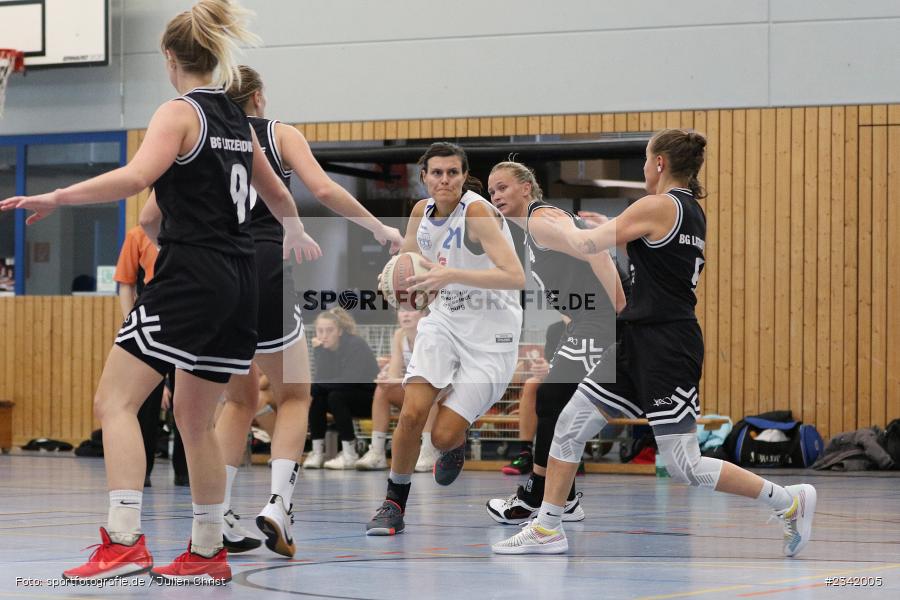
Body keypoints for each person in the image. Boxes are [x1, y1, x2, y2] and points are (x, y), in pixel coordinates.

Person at [1, 0, 322, 583]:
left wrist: (56, 196)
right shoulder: (235, 119)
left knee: (115, 403)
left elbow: (134, 178)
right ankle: (206, 551)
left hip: (189, 279)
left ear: (170, 57)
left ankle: (123, 541)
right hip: (240, 283)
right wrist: (296, 231)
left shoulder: (179, 113)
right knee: (197, 423)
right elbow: (279, 197)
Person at [492, 129, 817, 557]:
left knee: (685, 465)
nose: (644, 169)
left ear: (660, 164)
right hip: (637, 339)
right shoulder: (687, 211)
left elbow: (588, 245)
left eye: (646, 161)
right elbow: (611, 242)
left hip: (667, 344)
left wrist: (552, 226)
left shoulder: (659, 204)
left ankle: (788, 501)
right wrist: (595, 229)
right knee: (570, 422)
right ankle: (548, 525)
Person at [182, 65, 400, 557]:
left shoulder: (203, 136)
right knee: (295, 395)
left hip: (211, 274)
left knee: (237, 400)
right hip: (264, 265)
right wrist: (378, 229)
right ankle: (279, 503)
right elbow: (323, 189)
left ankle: (220, 513)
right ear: (258, 97)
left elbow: (153, 216)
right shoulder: (278, 134)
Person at [366, 142, 525, 536]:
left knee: (441, 435)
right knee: (412, 413)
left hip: (492, 334)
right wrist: (396, 282)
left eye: (453, 173)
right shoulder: (420, 213)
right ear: (424, 178)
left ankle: (454, 443)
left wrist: (449, 275)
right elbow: (408, 264)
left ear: (463, 176)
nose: (444, 180)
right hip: (444, 321)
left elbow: (514, 276)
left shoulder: (478, 212)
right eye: (436, 173)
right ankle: (393, 503)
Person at [485, 161, 624, 525]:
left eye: (502, 187)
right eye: (492, 191)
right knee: (559, 405)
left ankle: (537, 496)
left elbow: (594, 251)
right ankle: (566, 497)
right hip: (587, 318)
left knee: (551, 399)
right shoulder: (533, 229)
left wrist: (621, 309)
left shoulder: (539, 221)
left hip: (601, 319)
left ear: (527, 187)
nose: (496, 195)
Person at [356, 308, 441, 472]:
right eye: (402, 311)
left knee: (427, 391)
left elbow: (431, 375)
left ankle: (429, 451)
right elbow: (394, 372)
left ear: (424, 314)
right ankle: (377, 452)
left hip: (440, 393)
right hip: (413, 388)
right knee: (382, 390)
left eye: (411, 310)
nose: (406, 314)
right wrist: (386, 377)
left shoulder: (432, 334)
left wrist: (395, 380)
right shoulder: (399, 335)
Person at [114, 225, 163, 488]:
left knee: (189, 402)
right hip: (150, 320)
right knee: (144, 402)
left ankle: (186, 472)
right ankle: (141, 470)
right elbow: (126, 283)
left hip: (190, 319)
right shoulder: (137, 234)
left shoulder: (193, 230)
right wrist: (130, 322)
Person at [304, 308, 380, 469]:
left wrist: (316, 386)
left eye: (329, 330)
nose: (323, 335)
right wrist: (320, 353)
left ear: (339, 331)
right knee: (319, 398)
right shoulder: (326, 349)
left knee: (333, 395)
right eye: (320, 331)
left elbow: (351, 380)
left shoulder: (355, 344)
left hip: (371, 400)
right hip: (344, 399)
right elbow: (322, 379)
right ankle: (317, 452)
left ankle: (349, 454)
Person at [500, 316, 567, 476]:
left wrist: (552, 369)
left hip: (586, 382)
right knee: (531, 384)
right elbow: (551, 362)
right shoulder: (555, 329)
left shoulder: (593, 325)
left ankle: (569, 454)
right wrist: (544, 368)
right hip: (560, 380)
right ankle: (526, 453)